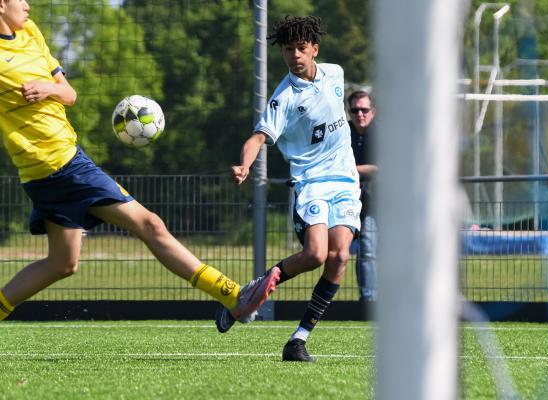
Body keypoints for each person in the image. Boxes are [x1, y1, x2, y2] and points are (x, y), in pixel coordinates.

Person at [0, 0, 280, 323]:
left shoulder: (30, 32)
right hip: (60, 165)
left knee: (62, 263)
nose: (27, 3)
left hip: (50, 167)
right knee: (150, 224)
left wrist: (46, 88)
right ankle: (233, 294)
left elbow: (70, 94)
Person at [214, 15, 362, 362]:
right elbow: (258, 137)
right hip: (311, 183)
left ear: (314, 49)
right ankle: (256, 287)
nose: (294, 55)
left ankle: (298, 340)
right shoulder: (284, 98)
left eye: (300, 48)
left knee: (339, 256)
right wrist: (245, 164)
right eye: (287, 49)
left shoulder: (336, 73)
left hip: (345, 179)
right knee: (315, 255)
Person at [348, 90, 378, 302]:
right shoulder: (343, 133)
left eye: (364, 109)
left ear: (373, 112)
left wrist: (350, 170)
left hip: (387, 203)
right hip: (355, 202)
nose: (360, 114)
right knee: (365, 251)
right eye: (355, 110)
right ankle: (368, 299)